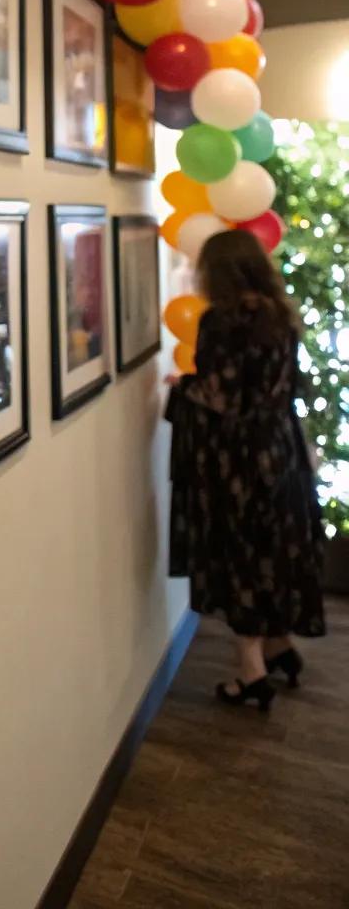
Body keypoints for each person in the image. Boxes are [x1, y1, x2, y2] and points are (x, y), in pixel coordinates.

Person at [166, 229, 325, 711]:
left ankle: (251, 672)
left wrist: (181, 386)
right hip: (280, 448)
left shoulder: (223, 320)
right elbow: (279, 386)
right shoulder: (280, 316)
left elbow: (223, 397)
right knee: (271, 548)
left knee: (237, 552)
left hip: (236, 458)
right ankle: (279, 646)